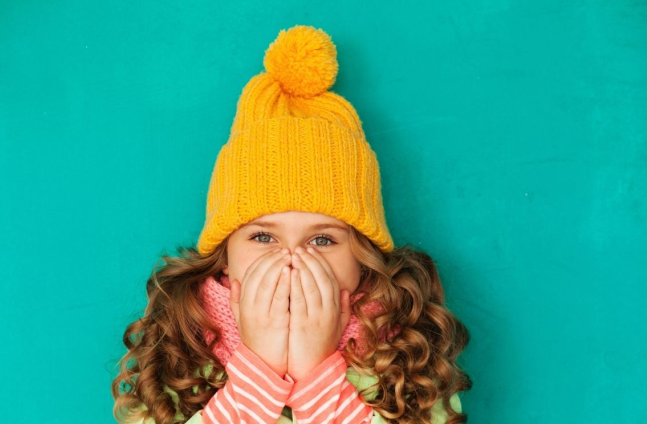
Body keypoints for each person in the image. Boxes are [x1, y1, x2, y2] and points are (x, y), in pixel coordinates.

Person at [112, 25, 472, 424]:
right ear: (225, 256)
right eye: (263, 236)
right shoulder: (178, 354)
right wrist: (259, 371)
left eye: (322, 239)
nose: (292, 261)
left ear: (363, 259)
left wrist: (317, 372)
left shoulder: (408, 358)